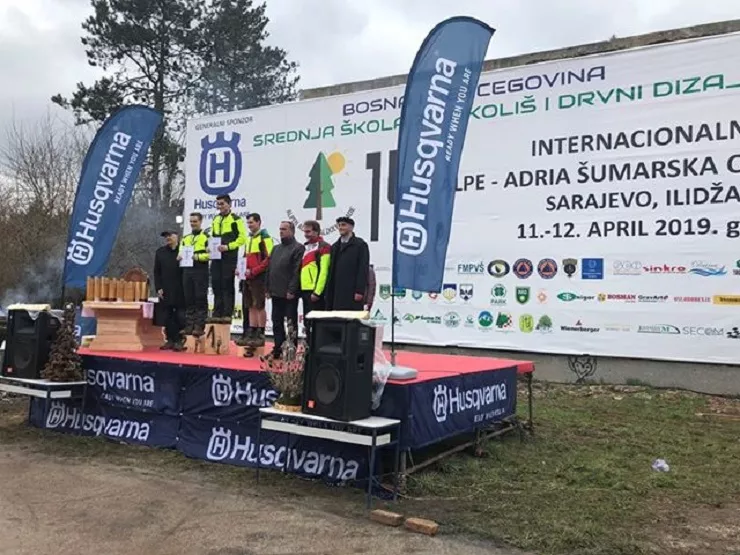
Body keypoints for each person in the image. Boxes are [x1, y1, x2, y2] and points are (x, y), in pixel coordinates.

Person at [265, 221, 304, 358]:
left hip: (289, 293)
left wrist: (292, 290)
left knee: (291, 323)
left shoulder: (298, 248)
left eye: (284, 229)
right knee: (276, 321)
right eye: (280, 229)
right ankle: (278, 349)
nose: (281, 231)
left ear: (292, 231)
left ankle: (291, 350)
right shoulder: (276, 248)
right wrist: (267, 288)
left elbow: (296, 271)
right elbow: (269, 269)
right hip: (275, 291)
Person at [209, 194, 246, 323]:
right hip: (216, 256)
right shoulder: (216, 219)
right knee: (216, 283)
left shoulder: (236, 219)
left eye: (222, 204)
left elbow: (242, 239)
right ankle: (217, 312)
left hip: (229, 256)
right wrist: (210, 247)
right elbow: (213, 236)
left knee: (227, 283)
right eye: (218, 204)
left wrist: (228, 246)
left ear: (229, 204)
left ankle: (227, 313)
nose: (219, 206)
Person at [325, 217, 370, 311]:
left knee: (351, 317)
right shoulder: (335, 247)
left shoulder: (360, 245)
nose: (340, 227)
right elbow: (331, 271)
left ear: (351, 227)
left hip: (352, 291)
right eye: (339, 225)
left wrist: (359, 291)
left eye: (343, 225)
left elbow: (363, 269)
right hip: (337, 292)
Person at [242, 213, 273, 348]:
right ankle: (252, 332)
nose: (249, 225)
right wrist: (240, 269)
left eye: (251, 222)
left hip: (259, 276)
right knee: (250, 305)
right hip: (248, 276)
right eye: (248, 223)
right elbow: (245, 256)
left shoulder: (264, 237)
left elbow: (269, 258)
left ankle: (261, 334)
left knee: (259, 305)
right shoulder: (249, 238)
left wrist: (254, 270)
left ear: (259, 222)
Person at [179, 212, 210, 337]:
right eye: (191, 221)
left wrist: (197, 257)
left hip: (200, 269)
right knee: (189, 298)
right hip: (187, 270)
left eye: (195, 221)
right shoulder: (186, 238)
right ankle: (189, 325)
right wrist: (179, 256)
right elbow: (180, 251)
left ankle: (199, 325)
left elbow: (211, 255)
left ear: (200, 221)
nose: (192, 224)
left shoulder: (206, 237)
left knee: (200, 297)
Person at [153, 231, 185, 350]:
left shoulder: (183, 250)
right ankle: (170, 340)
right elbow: (157, 272)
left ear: (177, 236)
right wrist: (158, 288)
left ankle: (180, 340)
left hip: (181, 288)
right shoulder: (160, 252)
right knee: (167, 315)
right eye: (166, 236)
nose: (168, 238)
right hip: (166, 288)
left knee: (180, 315)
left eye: (170, 235)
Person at [300, 220, 331, 339]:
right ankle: (309, 347)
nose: (306, 234)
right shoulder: (305, 247)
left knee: (316, 323)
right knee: (307, 323)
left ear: (317, 231)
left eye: (308, 232)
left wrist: (317, 292)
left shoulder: (324, 247)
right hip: (305, 289)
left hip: (315, 291)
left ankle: (317, 348)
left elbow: (324, 271)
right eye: (305, 232)